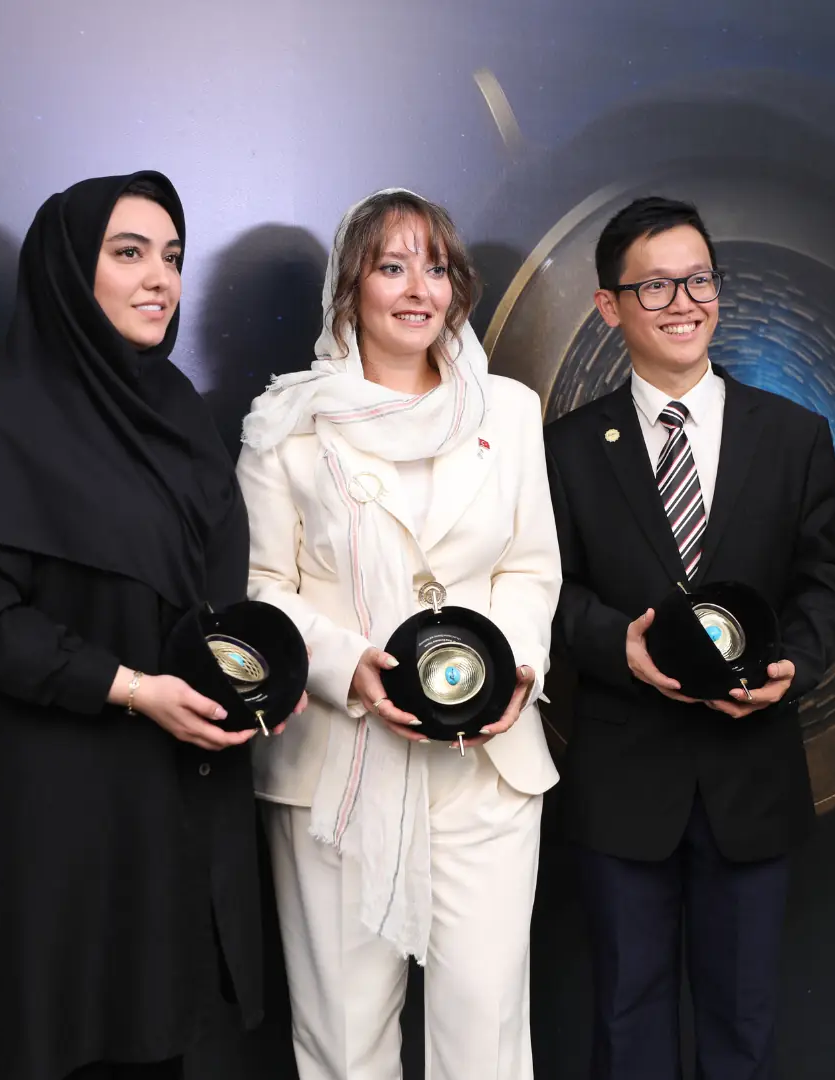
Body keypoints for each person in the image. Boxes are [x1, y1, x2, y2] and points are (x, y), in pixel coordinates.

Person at [0, 172, 297, 1080]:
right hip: (58, 801)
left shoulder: (180, 416)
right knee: (71, 1038)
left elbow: (204, 599)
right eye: (128, 254)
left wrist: (254, 685)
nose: (159, 278)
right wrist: (126, 689)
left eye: (171, 256)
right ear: (66, 272)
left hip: (170, 794)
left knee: (163, 1035)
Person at [237, 189, 562, 1080]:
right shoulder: (284, 427)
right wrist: (351, 669)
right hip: (338, 766)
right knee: (343, 1042)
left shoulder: (509, 412)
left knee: (486, 1034)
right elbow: (264, 591)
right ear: (351, 288)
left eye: (437, 266)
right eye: (391, 266)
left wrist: (516, 671)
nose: (418, 288)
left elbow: (531, 569)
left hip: (486, 765)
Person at [543, 196, 835, 1080]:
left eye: (698, 279)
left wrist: (793, 664)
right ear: (610, 306)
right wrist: (620, 646)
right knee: (626, 1009)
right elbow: (545, 592)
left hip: (749, 772)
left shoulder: (794, 435)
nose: (683, 302)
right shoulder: (566, 448)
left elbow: (827, 577)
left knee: (742, 1016)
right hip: (623, 777)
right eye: (654, 286)